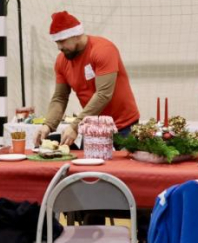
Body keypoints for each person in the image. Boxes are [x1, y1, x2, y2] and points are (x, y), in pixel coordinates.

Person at [35, 11, 140, 148]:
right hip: (92, 126)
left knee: (126, 168)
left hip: (123, 125)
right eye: (57, 42)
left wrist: (75, 126)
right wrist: (48, 125)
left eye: (62, 41)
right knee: (88, 168)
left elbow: (103, 94)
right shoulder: (62, 61)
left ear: (76, 35)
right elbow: (60, 97)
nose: (59, 47)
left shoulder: (103, 50)